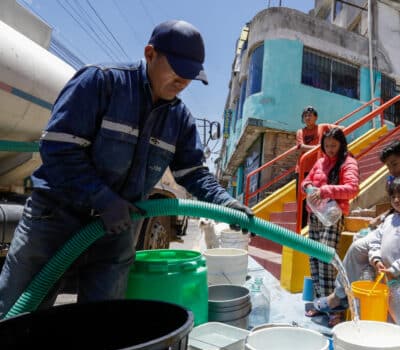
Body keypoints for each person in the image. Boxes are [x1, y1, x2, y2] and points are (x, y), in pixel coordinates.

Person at [0, 20, 253, 318]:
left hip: (116, 231)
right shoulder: (101, 83)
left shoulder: (180, 119)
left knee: (103, 326)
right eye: (177, 69)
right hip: (56, 220)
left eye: (190, 75)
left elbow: (193, 174)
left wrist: (226, 203)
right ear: (150, 54)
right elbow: (58, 149)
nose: (184, 81)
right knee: (19, 317)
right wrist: (102, 198)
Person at [316, 177, 400, 327]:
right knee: (383, 317)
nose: (396, 200)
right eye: (393, 196)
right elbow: (375, 241)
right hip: (383, 275)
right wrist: (376, 259)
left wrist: (395, 269)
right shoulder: (390, 219)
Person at [301, 127, 359, 316]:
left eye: (334, 145)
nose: (330, 149)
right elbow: (306, 181)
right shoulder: (319, 162)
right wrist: (308, 186)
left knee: (326, 260)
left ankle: (334, 309)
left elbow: (352, 189)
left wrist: (325, 190)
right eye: (326, 145)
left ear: (342, 144)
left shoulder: (348, 162)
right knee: (314, 259)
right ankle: (320, 304)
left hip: (333, 215)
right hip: (315, 215)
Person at [295, 106, 339, 228]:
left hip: (317, 171)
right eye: (305, 116)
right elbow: (301, 147)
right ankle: (301, 229)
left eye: (310, 115)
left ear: (316, 117)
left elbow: (341, 129)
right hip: (302, 169)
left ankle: (316, 226)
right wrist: (320, 147)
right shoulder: (300, 132)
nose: (308, 118)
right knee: (301, 201)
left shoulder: (322, 127)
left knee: (317, 199)